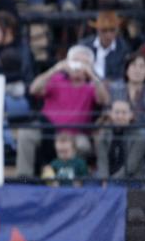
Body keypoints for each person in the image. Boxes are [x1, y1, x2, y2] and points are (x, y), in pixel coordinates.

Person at [16, 45, 110, 178]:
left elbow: (104, 100)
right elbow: (34, 89)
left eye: (83, 63)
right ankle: (24, 178)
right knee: (26, 133)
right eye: (75, 61)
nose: (78, 66)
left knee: (83, 146)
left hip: (76, 134)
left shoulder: (92, 86)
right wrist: (55, 69)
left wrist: (92, 74)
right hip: (47, 128)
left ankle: (73, 180)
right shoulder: (56, 78)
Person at [95, 99, 145, 178]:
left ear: (131, 115)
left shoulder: (140, 137)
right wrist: (104, 179)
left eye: (124, 113)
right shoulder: (103, 134)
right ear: (110, 114)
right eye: (117, 112)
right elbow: (102, 161)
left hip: (131, 180)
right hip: (108, 180)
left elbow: (131, 166)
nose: (120, 116)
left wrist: (112, 181)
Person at [107, 52, 145, 123]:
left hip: (144, 128)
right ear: (126, 70)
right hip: (117, 126)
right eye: (133, 65)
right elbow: (107, 111)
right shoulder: (115, 88)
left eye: (141, 66)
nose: (137, 70)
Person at [77, 11, 131, 80]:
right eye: (104, 30)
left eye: (112, 30)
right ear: (98, 30)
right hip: (88, 85)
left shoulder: (123, 48)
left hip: (114, 87)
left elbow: (123, 74)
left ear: (117, 30)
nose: (108, 35)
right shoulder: (84, 46)